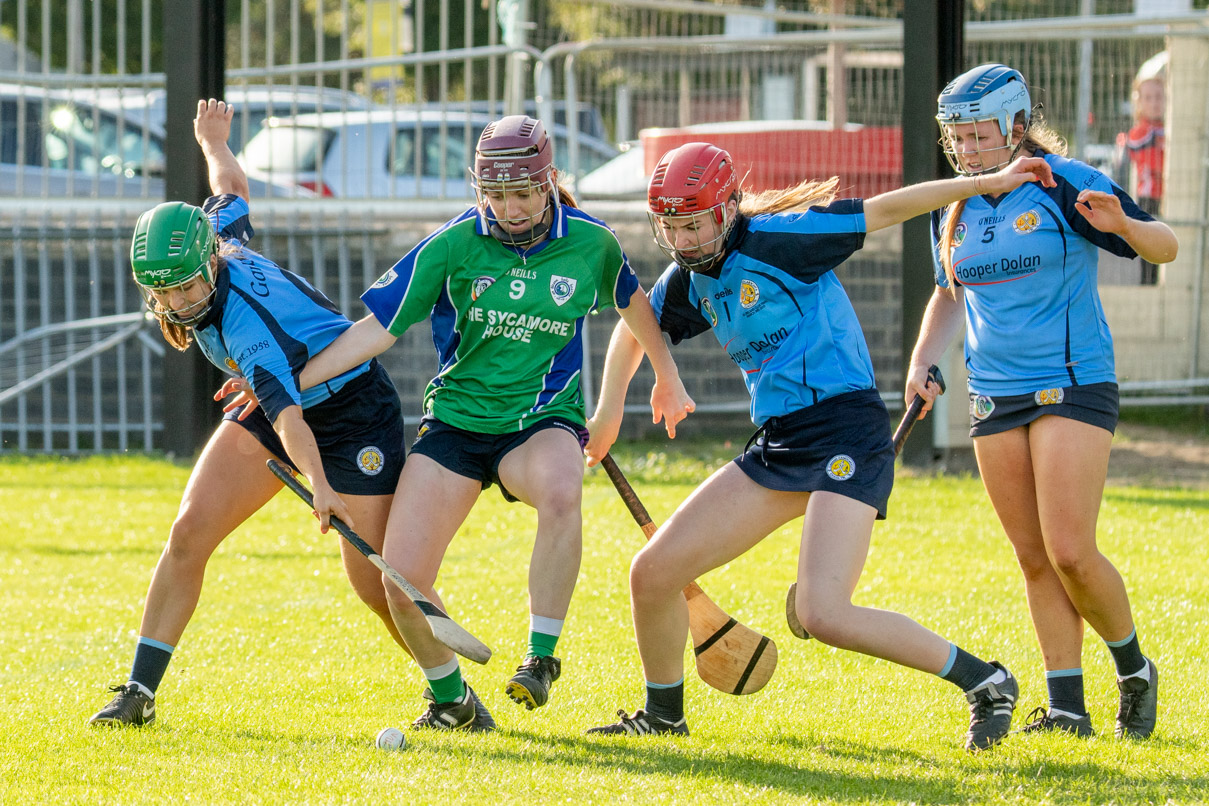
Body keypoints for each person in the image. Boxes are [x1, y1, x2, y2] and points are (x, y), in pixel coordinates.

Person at [583, 140, 1056, 751]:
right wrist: (613, 408)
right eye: (672, 227)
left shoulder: (785, 239)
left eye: (696, 222)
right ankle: (663, 717)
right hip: (781, 441)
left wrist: (979, 186)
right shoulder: (691, 277)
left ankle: (985, 681)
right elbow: (634, 325)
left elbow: (887, 209)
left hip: (845, 431)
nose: (686, 239)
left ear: (728, 209)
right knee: (653, 573)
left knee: (822, 612)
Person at [239, 114, 694, 731]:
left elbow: (631, 303)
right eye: (495, 193)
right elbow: (373, 331)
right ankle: (453, 701)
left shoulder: (591, 242)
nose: (509, 208)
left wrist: (664, 374)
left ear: (548, 180)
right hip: (454, 425)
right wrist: (289, 382)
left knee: (563, 491)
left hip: (539, 423)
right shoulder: (452, 244)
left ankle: (541, 658)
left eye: (523, 192)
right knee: (399, 580)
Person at [86, 100, 491, 728]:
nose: (178, 302)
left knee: (373, 582)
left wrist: (323, 487)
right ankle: (138, 693)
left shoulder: (245, 324)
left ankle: (454, 700)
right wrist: (212, 142)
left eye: (187, 288)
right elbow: (233, 188)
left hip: (352, 411)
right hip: (271, 398)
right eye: (162, 291)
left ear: (209, 265)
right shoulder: (213, 237)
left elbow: (291, 421)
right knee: (190, 532)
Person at [908, 63, 1177, 740]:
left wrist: (1123, 224)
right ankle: (1065, 709)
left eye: (978, 136)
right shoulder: (955, 204)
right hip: (993, 393)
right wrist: (922, 360)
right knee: (1032, 559)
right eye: (957, 139)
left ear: (1018, 126)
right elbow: (949, 291)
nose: (966, 152)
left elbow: (1164, 246)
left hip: (1071, 380)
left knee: (1069, 551)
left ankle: (1133, 669)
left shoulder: (1068, 184)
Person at [1118, 64, 1166, 283]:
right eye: (1148, 98)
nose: (1155, 103)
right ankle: (1148, 284)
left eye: (1159, 97)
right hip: (1149, 197)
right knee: (1150, 246)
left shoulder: (1165, 130)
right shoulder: (1139, 133)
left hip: (1167, 196)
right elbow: (1153, 164)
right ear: (1139, 102)